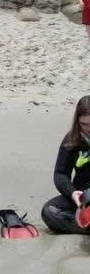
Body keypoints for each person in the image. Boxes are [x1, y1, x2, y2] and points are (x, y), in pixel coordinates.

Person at [40, 96, 90, 235]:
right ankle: (86, 226)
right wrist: (72, 192)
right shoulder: (72, 139)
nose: (89, 128)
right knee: (49, 211)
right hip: (82, 197)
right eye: (84, 124)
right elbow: (60, 173)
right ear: (77, 122)